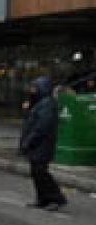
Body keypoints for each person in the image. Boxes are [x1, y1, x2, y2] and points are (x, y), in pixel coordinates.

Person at [19, 76, 67, 212]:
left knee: (41, 173)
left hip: (42, 145)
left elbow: (42, 127)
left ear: (43, 88)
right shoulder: (40, 102)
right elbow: (31, 120)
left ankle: (56, 198)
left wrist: (29, 142)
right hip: (37, 145)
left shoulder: (47, 104)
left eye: (35, 88)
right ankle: (43, 199)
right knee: (36, 173)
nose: (32, 91)